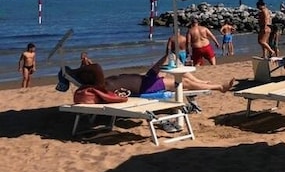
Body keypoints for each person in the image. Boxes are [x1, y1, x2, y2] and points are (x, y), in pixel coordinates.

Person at [62, 54, 234, 96]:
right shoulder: (103, 87)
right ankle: (219, 87)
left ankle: (205, 81)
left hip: (146, 80)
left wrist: (86, 63)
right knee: (184, 84)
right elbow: (97, 69)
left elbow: (96, 71)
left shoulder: (104, 83)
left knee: (183, 77)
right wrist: (90, 65)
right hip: (149, 87)